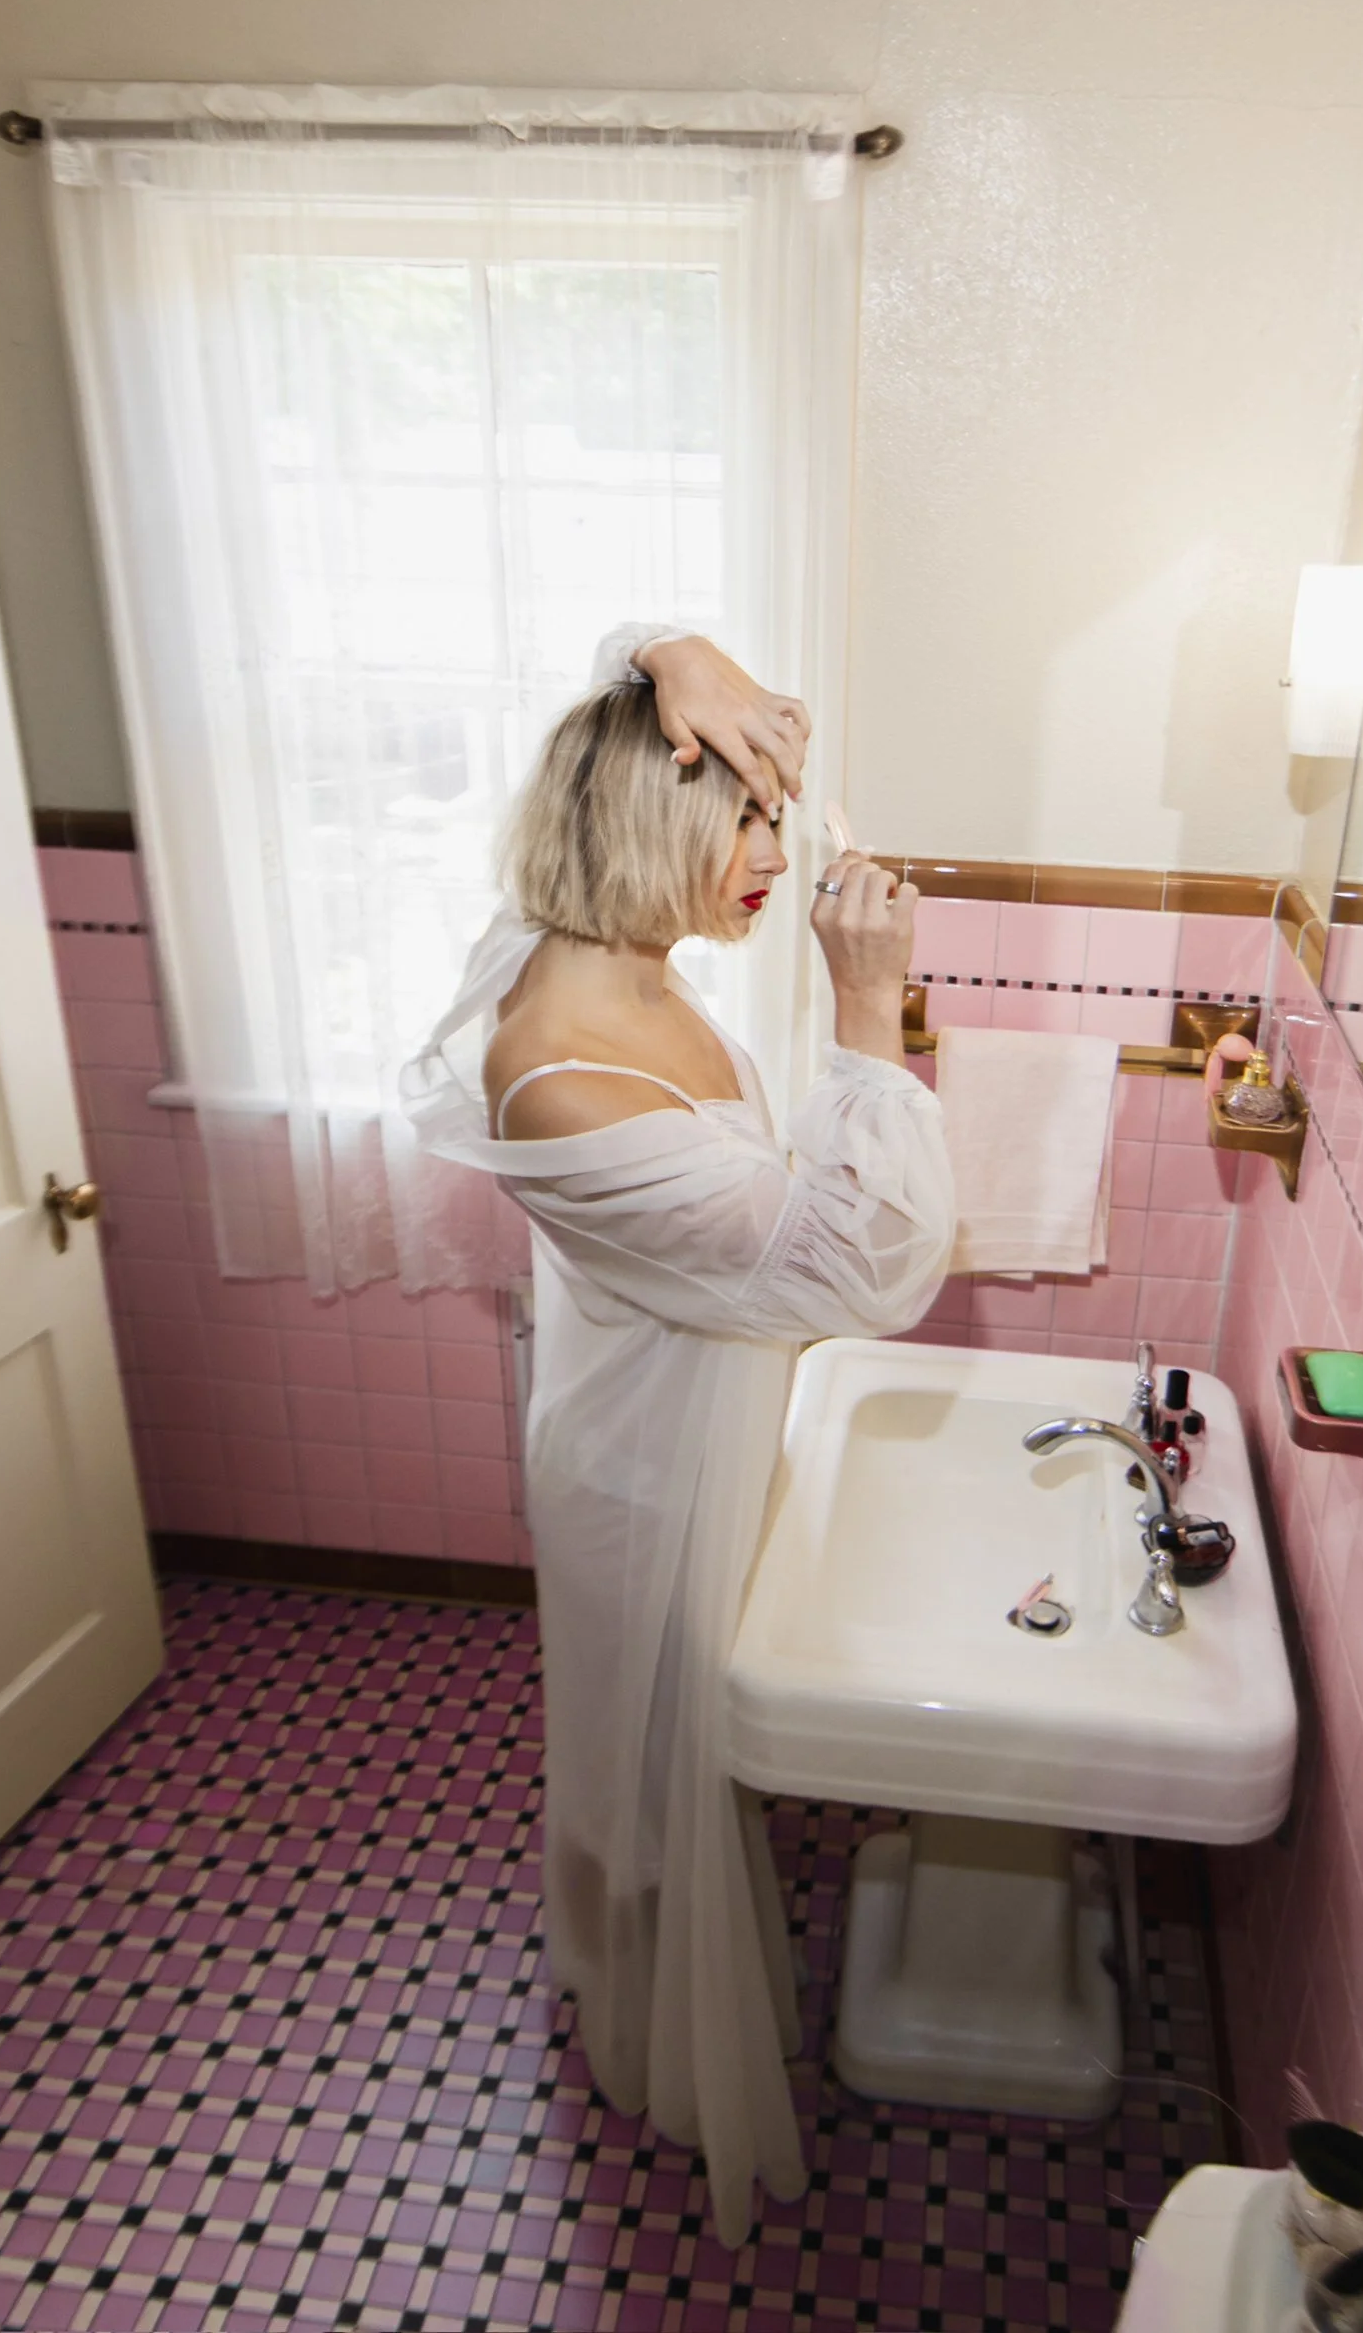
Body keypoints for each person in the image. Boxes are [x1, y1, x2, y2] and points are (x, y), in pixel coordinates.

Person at [402, 630, 954, 2244]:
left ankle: (642, 1960)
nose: (777, 855)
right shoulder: (561, 1079)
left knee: (676, 1759)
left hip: (694, 1419)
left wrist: (673, 652)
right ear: (645, 827)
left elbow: (632, 703)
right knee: (648, 1778)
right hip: (645, 1472)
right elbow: (867, 1271)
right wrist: (868, 1011)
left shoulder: (600, 946)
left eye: (779, 816)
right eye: (749, 822)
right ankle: (651, 2029)